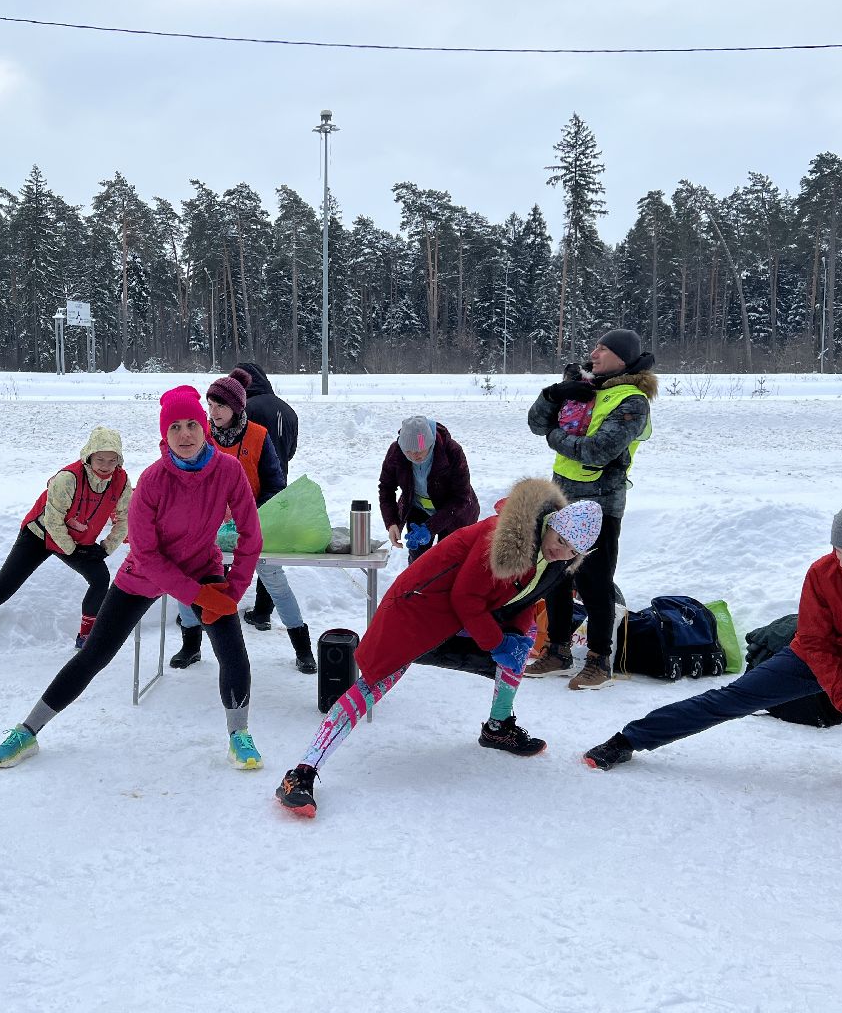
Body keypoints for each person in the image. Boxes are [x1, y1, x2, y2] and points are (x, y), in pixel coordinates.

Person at [583, 500, 842, 799]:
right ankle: (628, 739)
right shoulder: (823, 572)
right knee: (728, 700)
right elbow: (814, 641)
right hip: (812, 661)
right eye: (837, 550)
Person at [274, 481, 603, 818]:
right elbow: (466, 597)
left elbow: (525, 595)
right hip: (418, 610)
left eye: (572, 551)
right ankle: (301, 772)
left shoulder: (553, 559)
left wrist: (516, 635)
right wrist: (496, 642)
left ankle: (497, 728)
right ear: (551, 525)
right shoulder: (501, 537)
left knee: (520, 644)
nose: (561, 552)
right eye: (560, 541)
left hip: (461, 619)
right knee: (373, 686)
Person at [0, 386, 264, 770]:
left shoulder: (228, 472)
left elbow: (252, 534)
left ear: (205, 428)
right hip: (143, 577)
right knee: (94, 655)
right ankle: (27, 731)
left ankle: (240, 736)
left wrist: (232, 591)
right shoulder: (151, 481)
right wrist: (199, 596)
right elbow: (147, 556)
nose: (185, 435)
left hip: (204, 568)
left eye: (192, 425)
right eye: (176, 428)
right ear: (164, 436)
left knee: (232, 649)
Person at [0, 427, 130, 675]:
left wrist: (106, 549)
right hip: (39, 535)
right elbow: (53, 521)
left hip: (76, 540)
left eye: (112, 459)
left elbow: (125, 517)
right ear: (88, 456)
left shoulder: (121, 481)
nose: (106, 465)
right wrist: (74, 551)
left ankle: (85, 639)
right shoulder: (68, 478)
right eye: (100, 459)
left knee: (100, 579)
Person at [524, 327, 657, 691]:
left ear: (623, 358)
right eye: (594, 346)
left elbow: (598, 451)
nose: (594, 353)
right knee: (554, 575)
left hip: (601, 505)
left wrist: (555, 437)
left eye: (603, 349)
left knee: (595, 582)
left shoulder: (633, 401)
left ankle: (600, 660)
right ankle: (558, 651)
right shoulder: (582, 387)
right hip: (561, 499)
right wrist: (554, 394)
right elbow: (536, 423)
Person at [169, 368, 315, 675]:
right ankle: (191, 646)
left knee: (275, 580)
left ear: (237, 407)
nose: (213, 412)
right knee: (189, 579)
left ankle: (303, 649)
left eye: (219, 405)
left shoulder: (259, 436)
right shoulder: (201, 437)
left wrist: (245, 511)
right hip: (207, 528)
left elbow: (276, 486)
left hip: (253, 525)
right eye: (210, 405)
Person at [234, 362, 298, 633]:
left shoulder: (246, 410)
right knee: (269, 553)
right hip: (279, 484)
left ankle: (214, 606)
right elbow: (291, 450)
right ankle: (262, 613)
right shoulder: (288, 409)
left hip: (248, 488)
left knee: (230, 545)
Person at [378, 415, 480, 563]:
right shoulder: (396, 452)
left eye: (419, 450)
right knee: (418, 560)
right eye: (409, 452)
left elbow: (461, 497)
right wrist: (391, 522)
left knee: (448, 560)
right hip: (419, 509)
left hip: (454, 512)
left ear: (430, 442)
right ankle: (418, 587)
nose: (414, 456)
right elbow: (386, 488)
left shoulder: (452, 451)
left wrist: (430, 527)